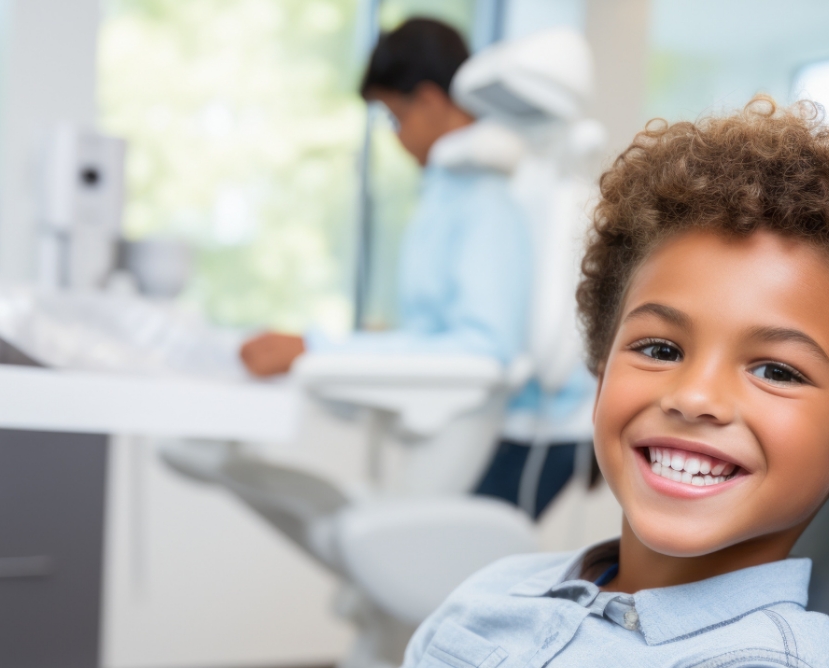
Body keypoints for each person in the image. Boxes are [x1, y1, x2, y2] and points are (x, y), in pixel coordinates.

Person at [197, 97, 829, 668]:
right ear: (603, 365)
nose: (696, 395)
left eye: (775, 369)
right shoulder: (503, 592)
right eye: (658, 345)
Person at [241, 18, 595, 518]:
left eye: (393, 117)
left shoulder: (486, 197)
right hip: (504, 421)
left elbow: (483, 347)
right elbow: (446, 328)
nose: (395, 137)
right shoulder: (453, 189)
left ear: (429, 101)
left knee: (426, 572)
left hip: (529, 431)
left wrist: (316, 349)